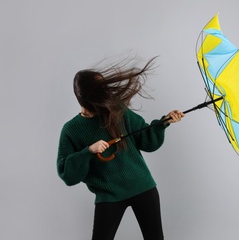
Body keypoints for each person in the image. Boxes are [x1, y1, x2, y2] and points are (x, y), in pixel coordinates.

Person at [57, 56, 184, 240]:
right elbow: (68, 175)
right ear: (86, 96)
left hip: (143, 186)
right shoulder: (71, 130)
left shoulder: (117, 110)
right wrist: (88, 151)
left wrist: (163, 123)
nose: (105, 91)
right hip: (109, 195)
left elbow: (146, 141)